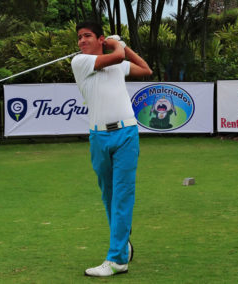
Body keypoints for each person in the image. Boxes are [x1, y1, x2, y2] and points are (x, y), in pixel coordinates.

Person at [71, 21, 152, 277]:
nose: (82, 41)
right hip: (99, 137)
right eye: (80, 37)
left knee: (122, 194)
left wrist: (124, 48)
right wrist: (118, 47)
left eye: (88, 36)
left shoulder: (117, 63)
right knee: (109, 196)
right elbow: (115, 55)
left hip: (126, 133)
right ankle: (123, 243)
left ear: (100, 39)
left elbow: (145, 69)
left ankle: (117, 259)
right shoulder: (79, 62)